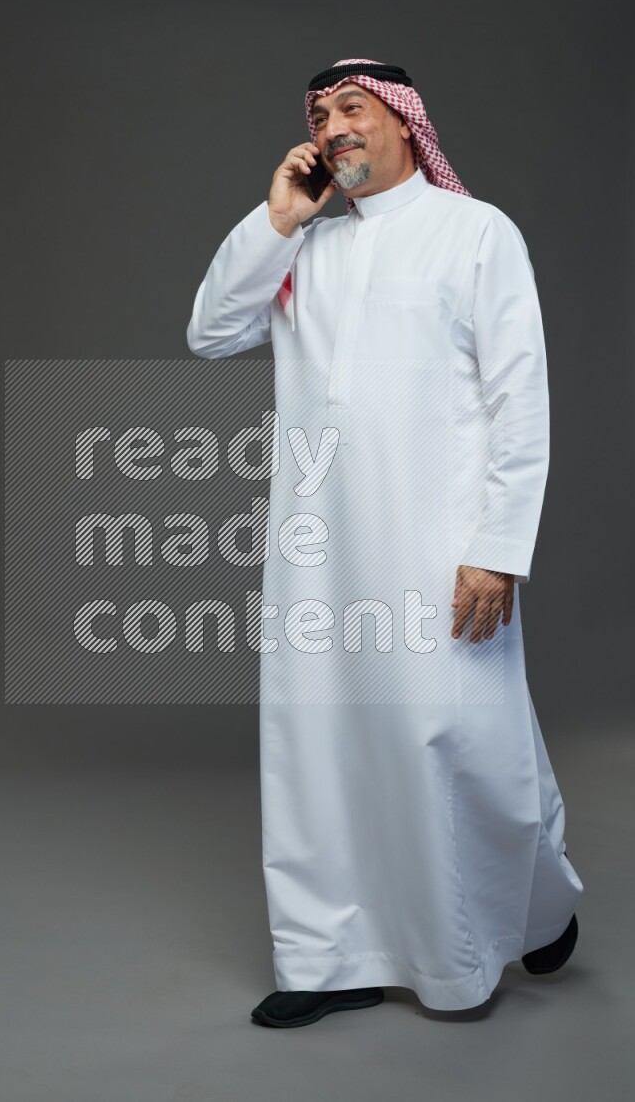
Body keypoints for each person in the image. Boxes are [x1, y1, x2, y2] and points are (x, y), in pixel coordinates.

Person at [186, 58, 583, 1028]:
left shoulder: (473, 232)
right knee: (318, 742)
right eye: (318, 117)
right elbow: (210, 331)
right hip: (318, 547)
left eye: (352, 110)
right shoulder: (305, 249)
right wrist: (278, 218)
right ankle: (328, 957)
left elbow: (515, 397)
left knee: (459, 735)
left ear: (408, 125)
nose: (331, 129)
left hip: (439, 539)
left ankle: (517, 914)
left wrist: (497, 545)